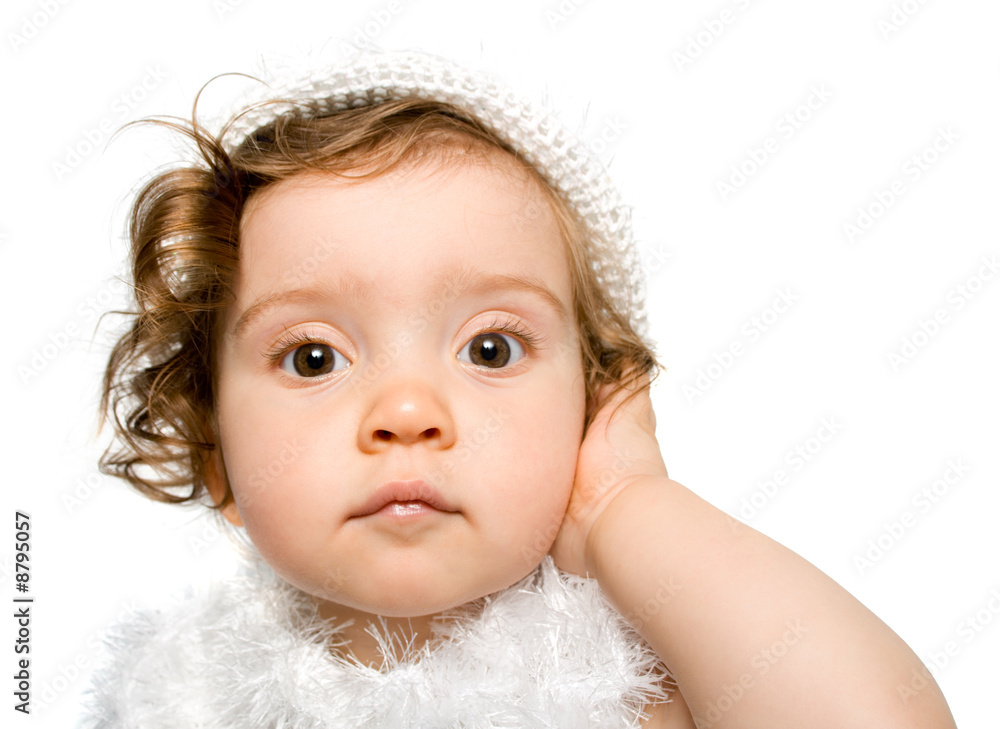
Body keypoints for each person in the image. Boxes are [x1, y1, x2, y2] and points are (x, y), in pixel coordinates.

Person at [81, 50, 957, 728]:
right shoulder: (177, 692)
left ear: (594, 407)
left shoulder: (634, 682)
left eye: (491, 347)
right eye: (314, 357)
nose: (407, 413)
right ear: (215, 455)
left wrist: (625, 505)